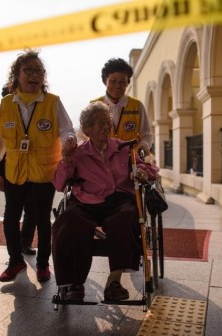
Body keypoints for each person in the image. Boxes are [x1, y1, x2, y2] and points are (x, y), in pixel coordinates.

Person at [51, 101, 157, 302]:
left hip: (119, 200)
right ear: (87, 128)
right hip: (86, 201)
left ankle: (114, 282)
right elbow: (59, 183)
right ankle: (74, 284)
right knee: (67, 221)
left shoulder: (123, 148)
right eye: (99, 123)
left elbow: (149, 170)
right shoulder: (79, 152)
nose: (105, 127)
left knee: (126, 217)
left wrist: (142, 172)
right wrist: (67, 160)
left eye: (107, 122)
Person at [0, 50, 76, 283]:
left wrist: (69, 140)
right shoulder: (6, 103)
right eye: (29, 70)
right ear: (17, 75)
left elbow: (67, 128)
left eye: (39, 71)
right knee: (9, 219)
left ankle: (44, 263)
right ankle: (15, 260)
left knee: (43, 221)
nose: (35, 75)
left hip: (44, 172)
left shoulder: (52, 102)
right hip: (16, 172)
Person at [0, 83, 37, 256]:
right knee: (12, 213)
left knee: (32, 210)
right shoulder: (5, 111)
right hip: (11, 172)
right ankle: (14, 253)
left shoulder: (34, 109)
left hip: (33, 171)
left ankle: (25, 242)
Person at [90, 58, 152, 154]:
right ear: (104, 81)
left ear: (128, 83)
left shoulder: (137, 106)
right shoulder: (94, 106)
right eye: (113, 81)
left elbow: (146, 135)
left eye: (122, 82)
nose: (117, 86)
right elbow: (83, 134)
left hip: (130, 162)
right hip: (102, 161)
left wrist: (144, 145)